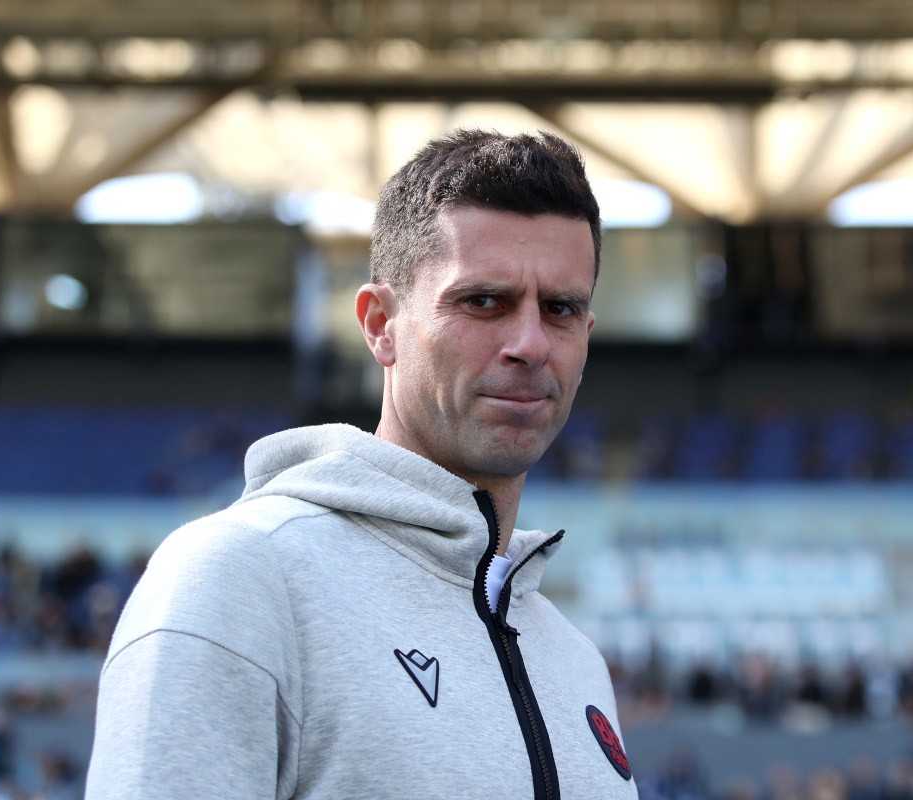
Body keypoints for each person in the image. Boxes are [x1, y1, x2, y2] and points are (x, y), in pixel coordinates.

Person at [85, 129, 637, 800]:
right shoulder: (240, 577)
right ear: (380, 324)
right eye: (483, 301)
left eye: (560, 309)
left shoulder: (575, 661)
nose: (529, 344)